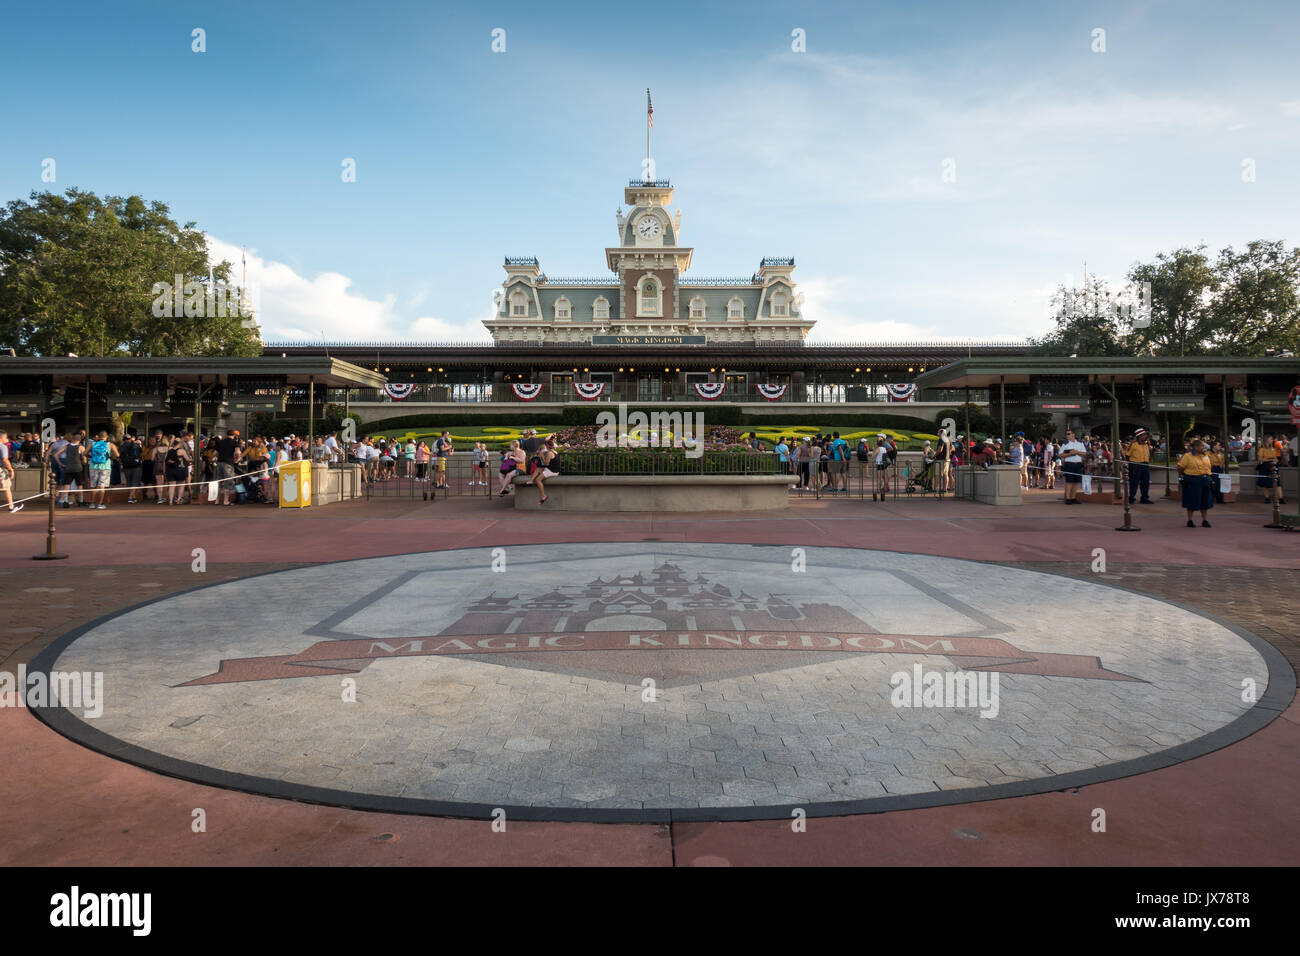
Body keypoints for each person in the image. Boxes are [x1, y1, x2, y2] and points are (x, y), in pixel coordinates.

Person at [1178, 439, 1214, 527]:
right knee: (1192, 500)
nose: (1203, 447)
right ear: (1195, 447)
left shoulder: (1205, 456)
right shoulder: (1188, 456)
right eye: (1201, 446)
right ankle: (1190, 520)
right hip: (1193, 480)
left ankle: (1204, 520)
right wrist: (1185, 476)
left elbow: (1209, 468)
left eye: (1203, 446)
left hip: (1205, 480)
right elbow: (1180, 468)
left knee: (1205, 501)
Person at [86, 430, 119, 510]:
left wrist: (91, 455)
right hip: (105, 467)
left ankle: (92, 504)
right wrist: (109, 455)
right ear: (106, 436)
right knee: (102, 486)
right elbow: (117, 455)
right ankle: (100, 504)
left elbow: (84, 453)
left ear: (98, 437)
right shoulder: (110, 444)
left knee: (93, 486)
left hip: (93, 466)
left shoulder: (92, 443)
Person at [522, 437, 560, 504]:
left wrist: (541, 456)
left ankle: (543, 496)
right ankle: (530, 481)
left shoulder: (549, 454)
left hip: (552, 471)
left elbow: (546, 464)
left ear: (547, 446)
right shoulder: (554, 451)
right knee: (538, 468)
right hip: (552, 468)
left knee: (538, 480)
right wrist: (541, 453)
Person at [1122, 428, 1153, 504]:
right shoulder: (1133, 444)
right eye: (1144, 435)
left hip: (1145, 464)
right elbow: (1127, 455)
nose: (1146, 436)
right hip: (1135, 465)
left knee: (1145, 482)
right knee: (1134, 482)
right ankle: (1131, 498)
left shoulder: (1146, 444)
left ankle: (1144, 498)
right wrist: (1131, 463)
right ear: (1139, 436)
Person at [213, 429, 241, 506]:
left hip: (219, 462)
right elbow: (238, 452)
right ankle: (226, 500)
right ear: (234, 435)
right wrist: (237, 459)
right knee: (227, 482)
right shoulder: (235, 442)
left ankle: (217, 500)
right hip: (228, 463)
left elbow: (215, 453)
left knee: (218, 481)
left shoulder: (221, 442)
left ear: (226, 434)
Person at [1059, 430, 1087, 504]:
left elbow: (1084, 453)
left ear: (1073, 434)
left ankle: (1073, 498)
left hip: (1078, 464)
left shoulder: (1080, 443)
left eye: (1069, 434)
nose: (1067, 435)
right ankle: (1068, 498)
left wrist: (1077, 452)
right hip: (1069, 464)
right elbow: (1060, 455)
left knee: (1076, 482)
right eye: (1066, 434)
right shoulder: (1065, 444)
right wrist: (1070, 454)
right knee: (1069, 481)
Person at [1256, 432, 1284, 505]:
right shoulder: (1262, 449)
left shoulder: (1273, 449)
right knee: (1265, 483)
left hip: (1274, 466)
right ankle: (1267, 498)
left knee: (1277, 483)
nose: (1272, 440)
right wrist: (1270, 460)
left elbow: (1275, 457)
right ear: (1267, 440)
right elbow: (1260, 459)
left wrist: (1276, 460)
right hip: (1265, 466)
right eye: (1271, 439)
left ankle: (1281, 498)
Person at [119, 429, 144, 502]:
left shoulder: (121, 446)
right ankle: (130, 497)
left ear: (123, 439)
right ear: (130, 439)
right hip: (136, 466)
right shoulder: (135, 445)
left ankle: (133, 497)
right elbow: (141, 452)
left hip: (126, 466)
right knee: (135, 482)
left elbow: (118, 455)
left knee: (129, 482)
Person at [0, 430, 21, 513]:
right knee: (7, 487)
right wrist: (11, 470)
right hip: (1, 469)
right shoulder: (3, 447)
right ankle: (11, 507)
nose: (7, 439)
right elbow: (5, 459)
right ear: (2, 438)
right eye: (5, 437)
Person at [873, 433, 891, 501]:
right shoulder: (884, 449)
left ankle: (878, 488)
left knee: (879, 477)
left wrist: (874, 450)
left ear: (878, 443)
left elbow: (873, 456)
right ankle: (886, 487)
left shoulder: (878, 449)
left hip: (879, 464)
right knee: (885, 476)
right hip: (884, 464)